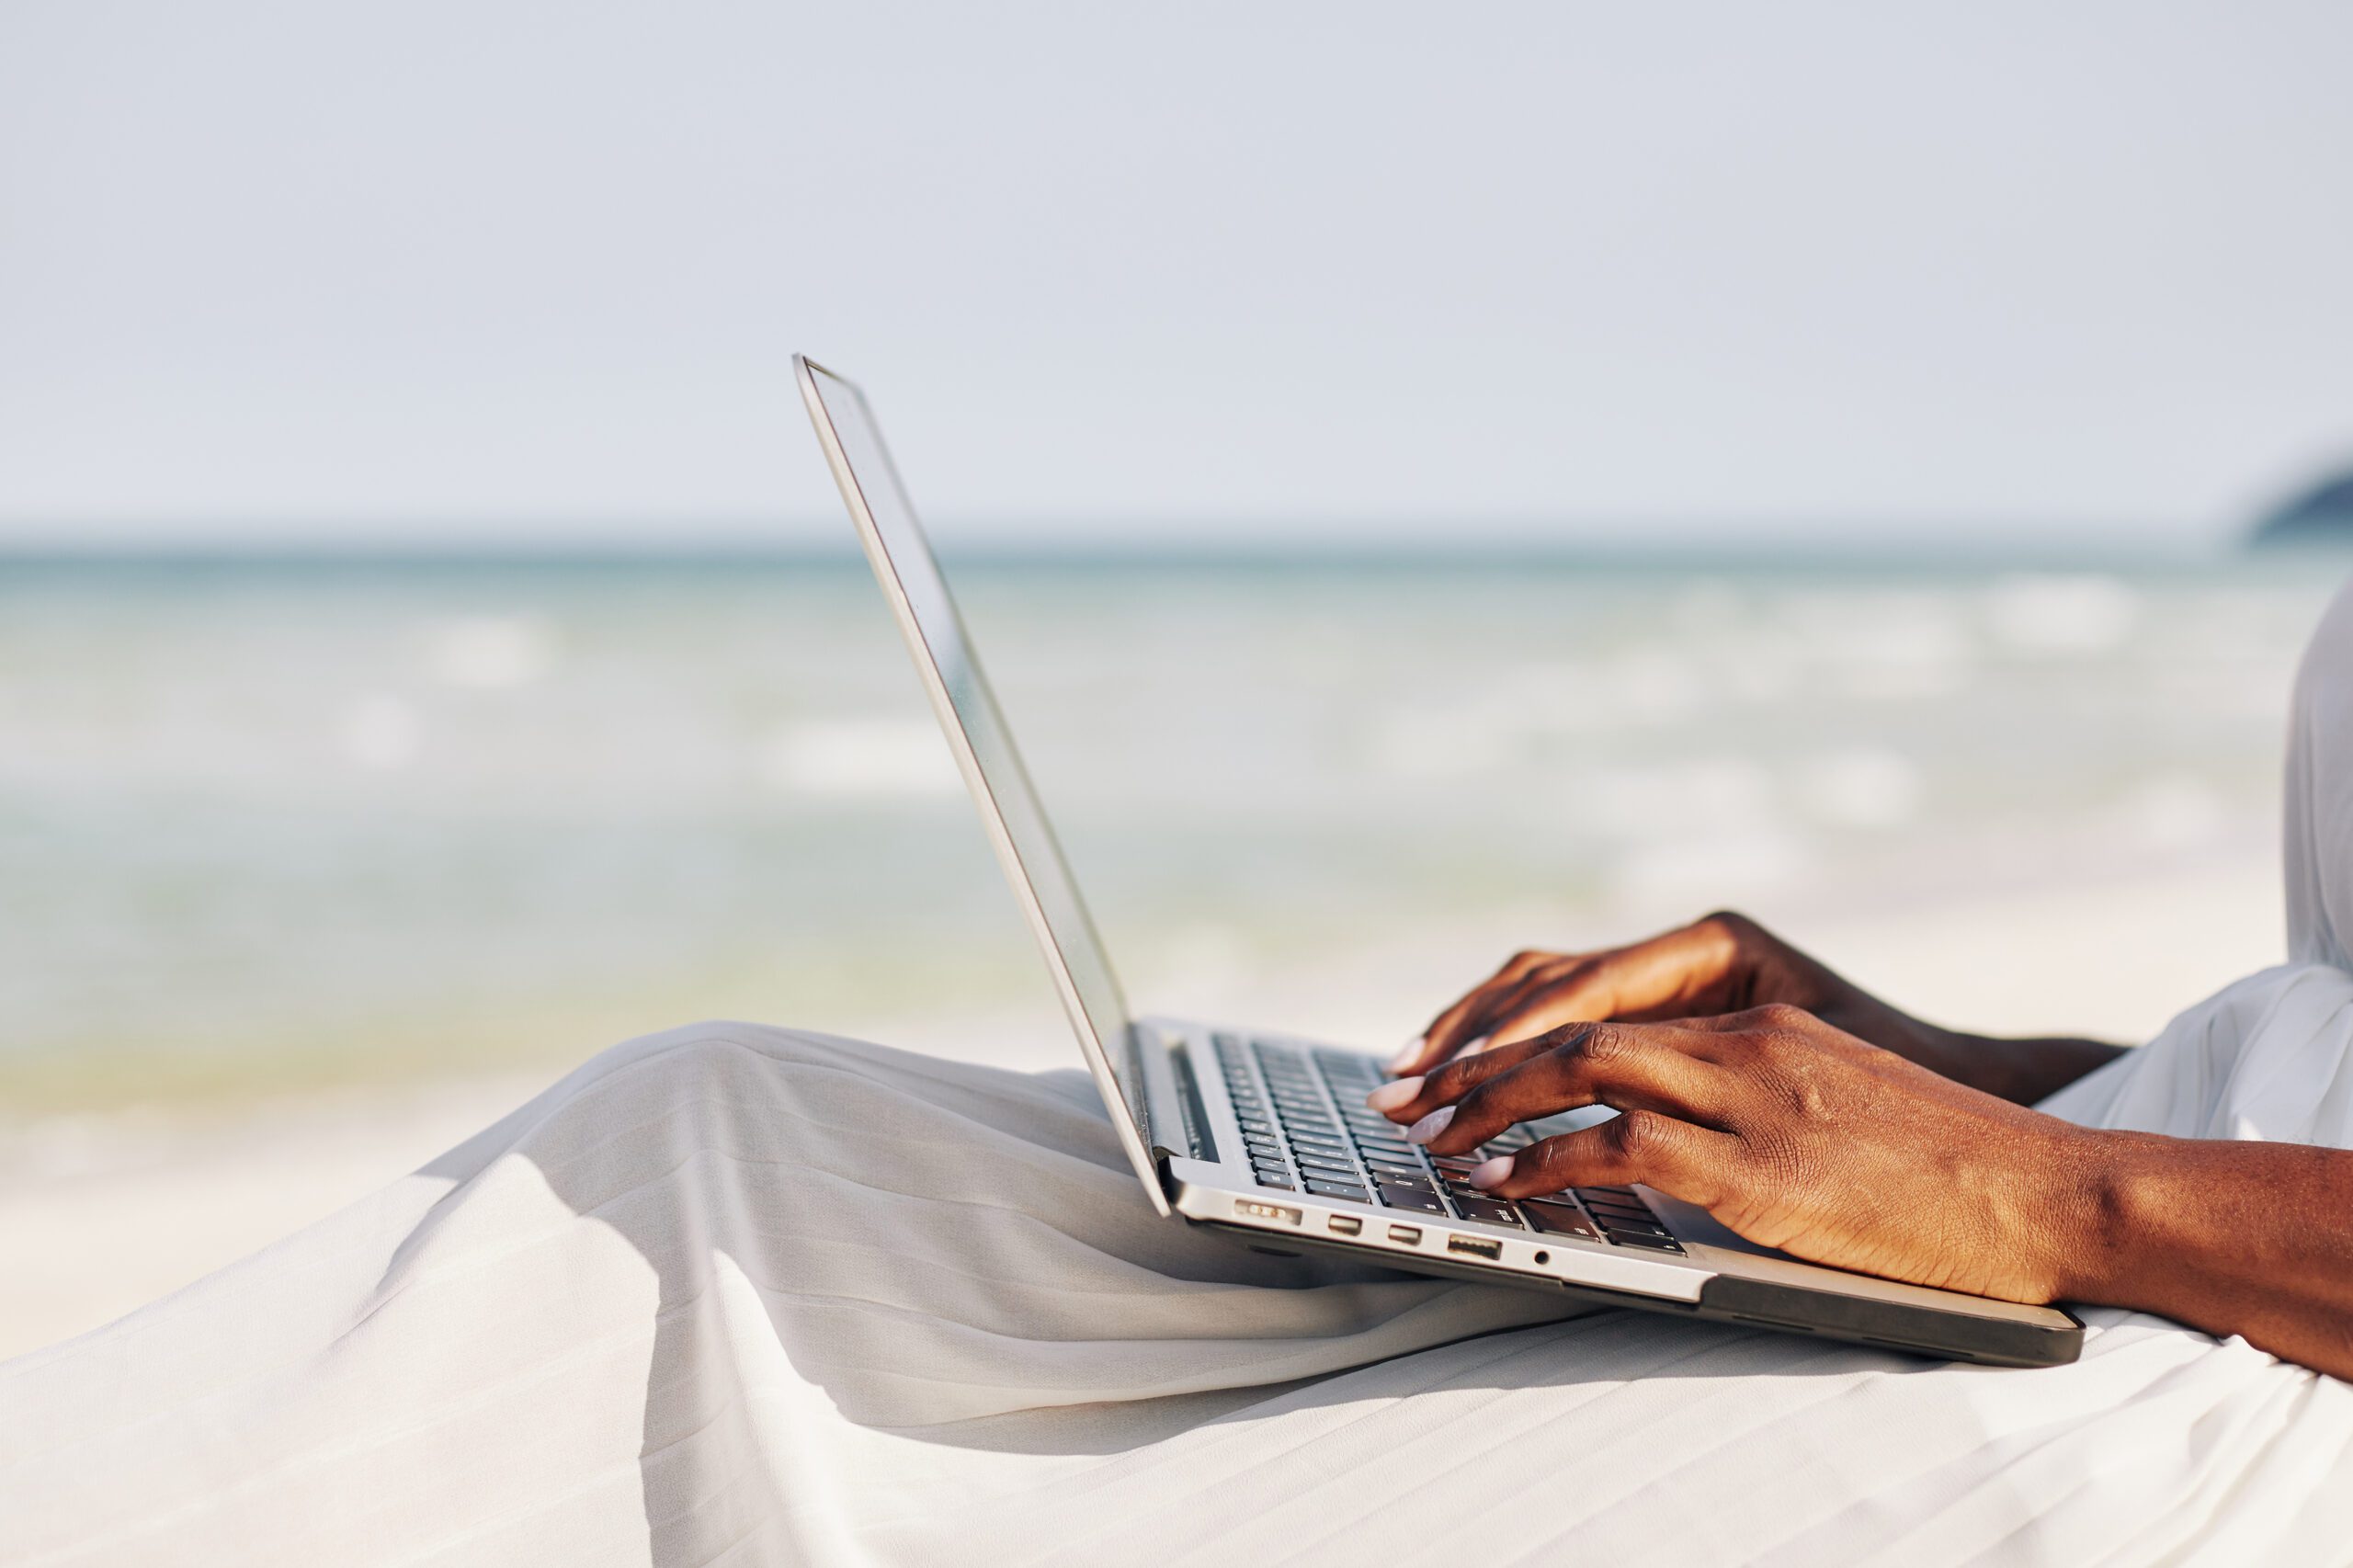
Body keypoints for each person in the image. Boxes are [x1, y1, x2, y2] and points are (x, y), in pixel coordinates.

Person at [6, 579, 2353, 1567]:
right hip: (2097, 1204)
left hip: (2220, 1351)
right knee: (725, 1141)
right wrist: (1894, 1072)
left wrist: (2053, 1204)